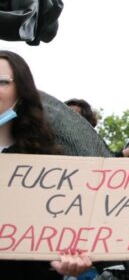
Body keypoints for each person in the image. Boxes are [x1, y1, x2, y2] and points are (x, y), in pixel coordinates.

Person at [0, 51, 96, 278]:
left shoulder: (50, 168)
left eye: (2, 82)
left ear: (21, 92)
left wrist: (61, 263)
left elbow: (53, 239)